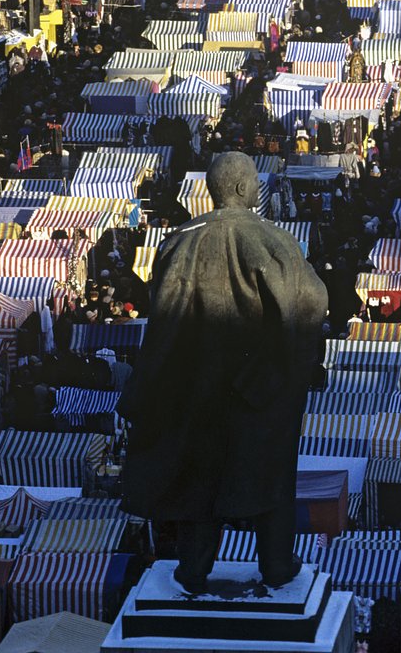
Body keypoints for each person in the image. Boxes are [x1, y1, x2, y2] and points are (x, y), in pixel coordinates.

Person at [118, 153, 329, 593]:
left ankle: (193, 569)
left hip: (194, 389)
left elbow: (163, 320)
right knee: (270, 477)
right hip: (258, 390)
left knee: (200, 482)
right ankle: (275, 565)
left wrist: (146, 387)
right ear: (239, 189)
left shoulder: (178, 241)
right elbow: (310, 304)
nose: (257, 189)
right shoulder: (274, 240)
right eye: (254, 182)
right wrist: (297, 366)